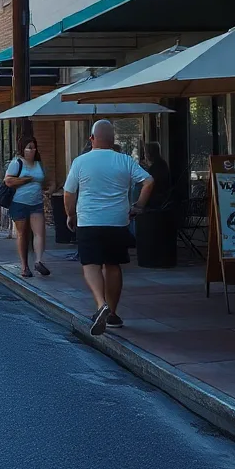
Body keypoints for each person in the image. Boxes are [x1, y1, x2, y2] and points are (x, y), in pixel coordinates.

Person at [63, 120, 154, 335]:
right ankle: (112, 313)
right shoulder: (124, 160)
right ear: (113, 140)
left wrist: (70, 214)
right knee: (112, 265)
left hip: (89, 220)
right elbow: (149, 182)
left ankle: (100, 303)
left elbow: (69, 193)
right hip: (117, 220)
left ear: (92, 138)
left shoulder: (80, 162)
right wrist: (138, 206)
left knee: (90, 264)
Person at [5, 135, 50, 278]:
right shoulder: (17, 163)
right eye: (29, 147)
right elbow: (8, 181)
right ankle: (24, 266)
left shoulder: (39, 164)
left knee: (39, 233)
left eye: (34, 147)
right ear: (23, 149)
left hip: (36, 203)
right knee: (22, 234)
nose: (33, 149)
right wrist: (27, 179)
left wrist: (50, 188)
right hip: (19, 203)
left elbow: (47, 180)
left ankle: (38, 261)